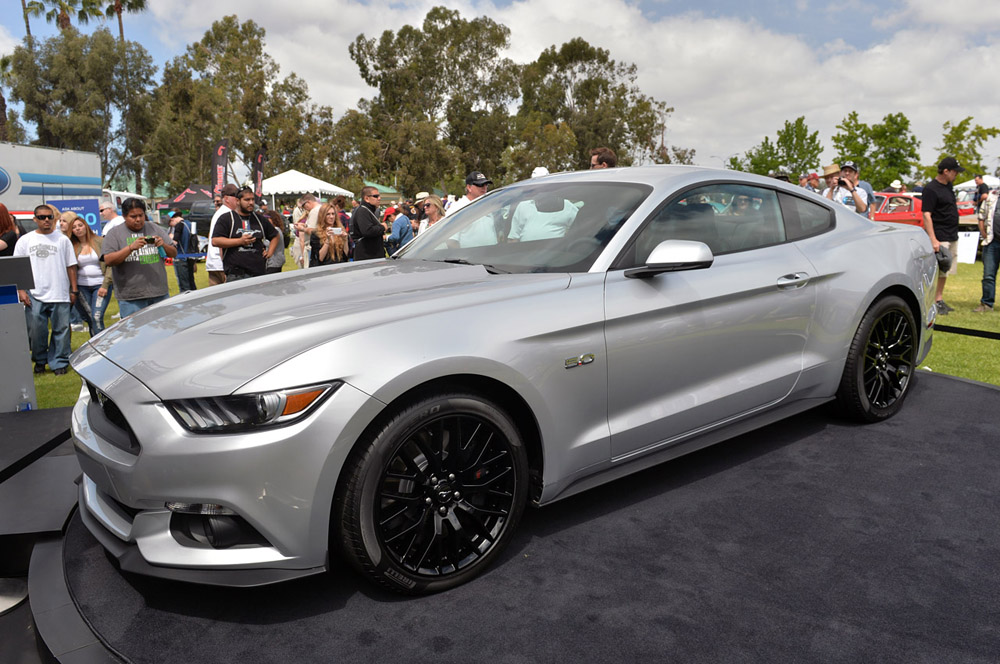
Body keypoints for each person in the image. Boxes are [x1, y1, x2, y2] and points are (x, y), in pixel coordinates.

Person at [13, 204, 78, 375]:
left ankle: (59, 363)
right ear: (35, 219)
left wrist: (74, 290)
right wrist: (21, 291)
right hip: (34, 294)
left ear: (54, 219)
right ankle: (40, 361)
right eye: (42, 217)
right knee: (36, 331)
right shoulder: (25, 240)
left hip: (60, 291)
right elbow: (18, 268)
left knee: (61, 330)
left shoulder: (63, 240)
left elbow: (71, 266)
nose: (46, 220)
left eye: (49, 217)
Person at [101, 198, 176, 317]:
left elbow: (173, 253)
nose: (138, 219)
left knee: (163, 332)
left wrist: (164, 245)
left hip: (159, 294)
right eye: (133, 216)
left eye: (141, 215)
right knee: (134, 334)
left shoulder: (154, 228)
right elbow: (108, 260)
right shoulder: (114, 233)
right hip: (131, 298)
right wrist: (130, 248)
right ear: (124, 216)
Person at [922, 157, 965, 314]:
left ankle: (939, 299)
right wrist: (933, 239)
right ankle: (931, 301)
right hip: (940, 236)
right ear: (945, 171)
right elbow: (927, 215)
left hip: (952, 234)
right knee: (937, 269)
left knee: (945, 269)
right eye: (955, 172)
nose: (957, 175)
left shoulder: (949, 186)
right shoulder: (931, 189)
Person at [211, 186, 279, 281]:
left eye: (252, 199)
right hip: (236, 274)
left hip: (258, 273)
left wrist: (270, 252)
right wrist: (240, 241)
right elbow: (215, 241)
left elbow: (275, 235)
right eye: (247, 200)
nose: (251, 203)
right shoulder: (226, 218)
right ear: (238, 201)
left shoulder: (260, 219)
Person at [67, 216, 112, 336]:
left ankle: (102, 346)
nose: (78, 229)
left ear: (86, 226)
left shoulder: (100, 241)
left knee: (96, 316)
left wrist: (105, 285)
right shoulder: (71, 246)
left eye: (80, 225)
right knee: (90, 318)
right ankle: (95, 346)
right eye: (74, 227)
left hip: (100, 284)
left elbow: (110, 264)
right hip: (81, 287)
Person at [207, 184, 238, 285]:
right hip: (221, 264)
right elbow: (220, 241)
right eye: (235, 196)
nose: (238, 199)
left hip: (213, 263)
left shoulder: (219, 213)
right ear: (226, 198)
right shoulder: (227, 215)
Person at [975, 188, 1000, 313]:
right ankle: (986, 304)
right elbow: (981, 216)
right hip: (992, 242)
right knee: (988, 275)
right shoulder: (991, 197)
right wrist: (983, 233)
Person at [351, 186, 386, 261]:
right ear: (366, 198)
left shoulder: (368, 210)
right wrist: (382, 227)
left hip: (372, 256)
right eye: (375, 196)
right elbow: (367, 231)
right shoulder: (362, 211)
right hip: (367, 257)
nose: (379, 198)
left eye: (379, 196)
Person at [169, 211, 197, 292]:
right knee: (192, 283)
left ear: (173, 219)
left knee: (184, 286)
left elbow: (175, 241)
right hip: (191, 257)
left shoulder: (179, 226)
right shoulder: (191, 224)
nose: (172, 226)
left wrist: (171, 238)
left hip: (181, 258)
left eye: (171, 223)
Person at [265, 210, 286, 274]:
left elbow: (268, 244)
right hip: (275, 261)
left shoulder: (276, 230)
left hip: (274, 262)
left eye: (267, 219)